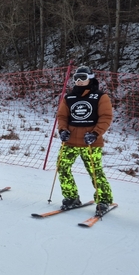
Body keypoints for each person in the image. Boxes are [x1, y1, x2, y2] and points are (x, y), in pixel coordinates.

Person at [56, 66, 113, 216]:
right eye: (76, 78)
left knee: (95, 171)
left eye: (83, 77)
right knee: (62, 167)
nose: (79, 81)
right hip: (70, 141)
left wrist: (95, 133)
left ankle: (104, 199)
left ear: (90, 78)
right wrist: (62, 130)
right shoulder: (69, 97)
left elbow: (106, 117)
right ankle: (71, 196)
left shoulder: (100, 96)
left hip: (90, 141)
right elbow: (62, 116)